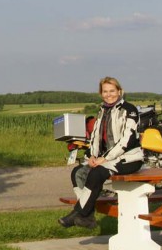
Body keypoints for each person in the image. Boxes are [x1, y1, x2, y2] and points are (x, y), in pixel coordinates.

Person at [59, 76, 144, 229]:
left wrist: (104, 159)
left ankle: (78, 213)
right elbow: (95, 137)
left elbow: (127, 141)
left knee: (97, 173)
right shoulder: (102, 111)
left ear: (119, 91)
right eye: (105, 91)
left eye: (112, 91)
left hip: (130, 159)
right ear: (101, 93)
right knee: (78, 173)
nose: (108, 94)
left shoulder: (129, 110)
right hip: (107, 160)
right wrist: (91, 155)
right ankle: (88, 215)